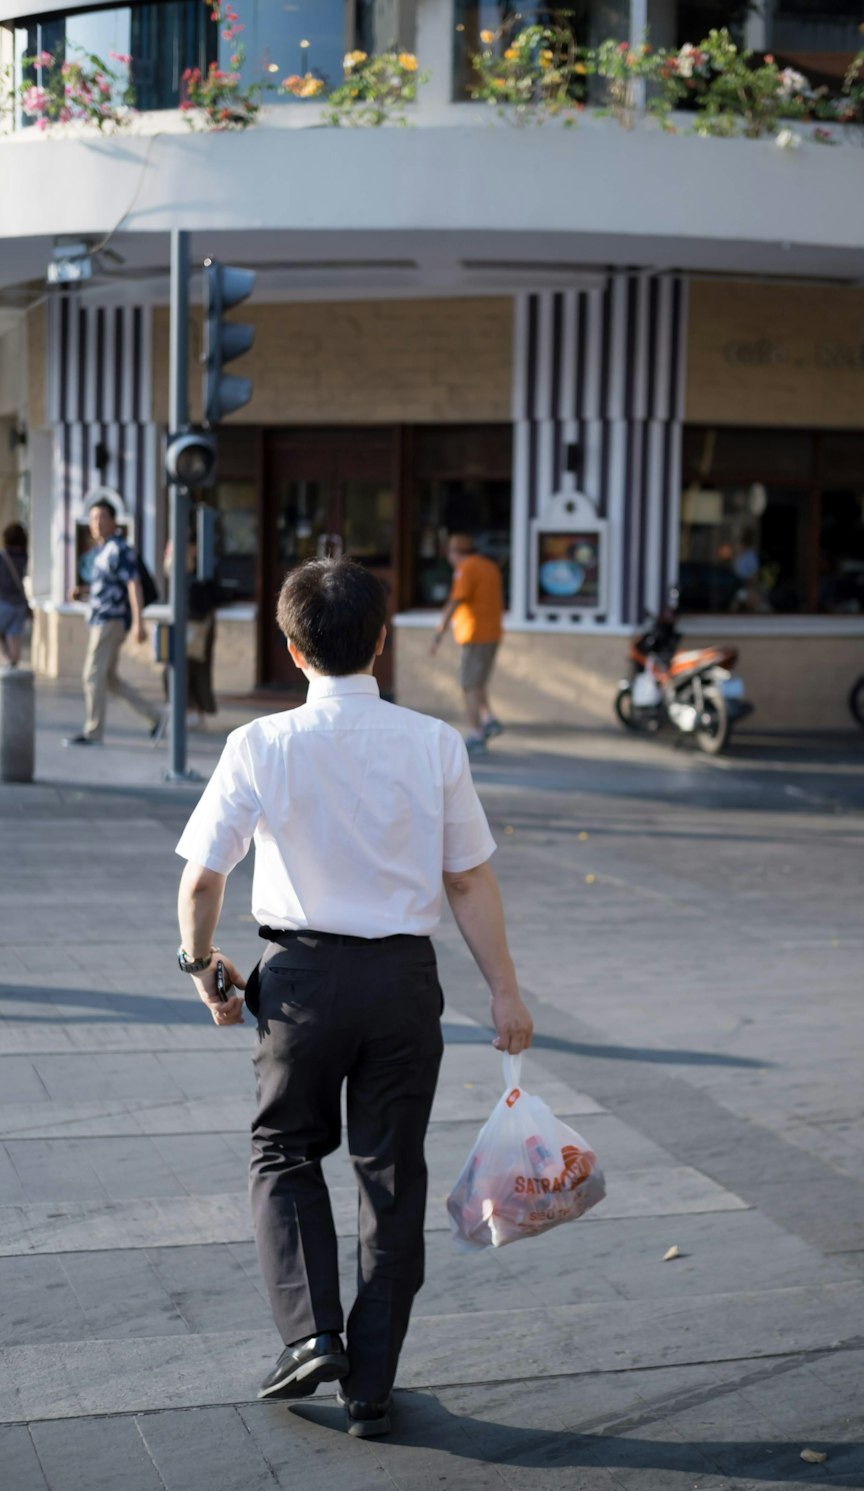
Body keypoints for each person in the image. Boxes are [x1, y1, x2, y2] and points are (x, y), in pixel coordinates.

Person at [175, 556, 532, 1439]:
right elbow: (470, 883)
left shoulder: (259, 744)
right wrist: (505, 993)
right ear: (381, 641)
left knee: (285, 1154)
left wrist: (203, 969)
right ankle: (370, 1381)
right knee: (391, 1175)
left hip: (297, 984)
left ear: (292, 650)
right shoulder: (435, 743)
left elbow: (201, 881)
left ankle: (309, 1336)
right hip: (405, 984)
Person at [64, 499, 164, 747]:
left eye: (101, 518)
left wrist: (139, 621)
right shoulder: (102, 550)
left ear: (112, 521)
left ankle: (93, 732)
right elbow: (108, 585)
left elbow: (133, 584)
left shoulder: (120, 549)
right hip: (99, 619)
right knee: (109, 679)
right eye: (93, 518)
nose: (96, 523)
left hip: (110, 621)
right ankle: (156, 717)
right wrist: (84, 591)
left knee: (91, 675)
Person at [430, 533, 505, 754]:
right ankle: (489, 718)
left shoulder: (466, 568)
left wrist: (438, 633)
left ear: (455, 553)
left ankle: (477, 734)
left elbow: (455, 601)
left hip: (474, 634)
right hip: (492, 632)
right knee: (478, 681)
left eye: (450, 555)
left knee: (468, 684)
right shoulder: (488, 566)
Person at [163, 539, 222, 730]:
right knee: (175, 669)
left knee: (192, 670)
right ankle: (189, 711)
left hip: (197, 627)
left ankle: (193, 711)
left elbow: (209, 597)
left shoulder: (202, 570)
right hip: (184, 626)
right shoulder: (180, 572)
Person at [0, 522, 30, 669]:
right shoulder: (24, 556)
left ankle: (7, 659)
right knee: (14, 635)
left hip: (4, 602)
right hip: (19, 604)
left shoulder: (3, 556)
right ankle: (13, 664)